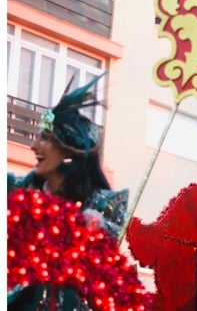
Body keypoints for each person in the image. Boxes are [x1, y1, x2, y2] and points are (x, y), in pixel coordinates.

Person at [7, 75, 129, 310]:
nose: (34, 146)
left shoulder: (104, 205)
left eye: (45, 138)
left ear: (68, 151)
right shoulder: (19, 191)